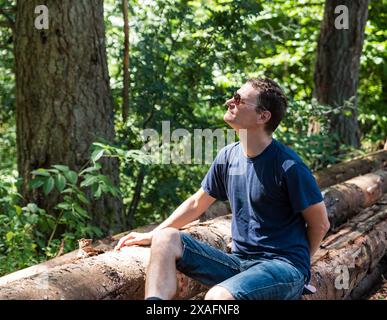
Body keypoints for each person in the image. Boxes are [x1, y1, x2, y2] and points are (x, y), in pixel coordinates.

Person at [115, 77, 330, 300]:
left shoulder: (288, 166)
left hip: (283, 268)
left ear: (263, 116)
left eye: (239, 99)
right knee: (166, 238)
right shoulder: (228, 156)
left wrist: (299, 268)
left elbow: (320, 223)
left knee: (218, 297)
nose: (230, 101)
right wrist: (151, 234)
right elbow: (197, 203)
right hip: (239, 263)